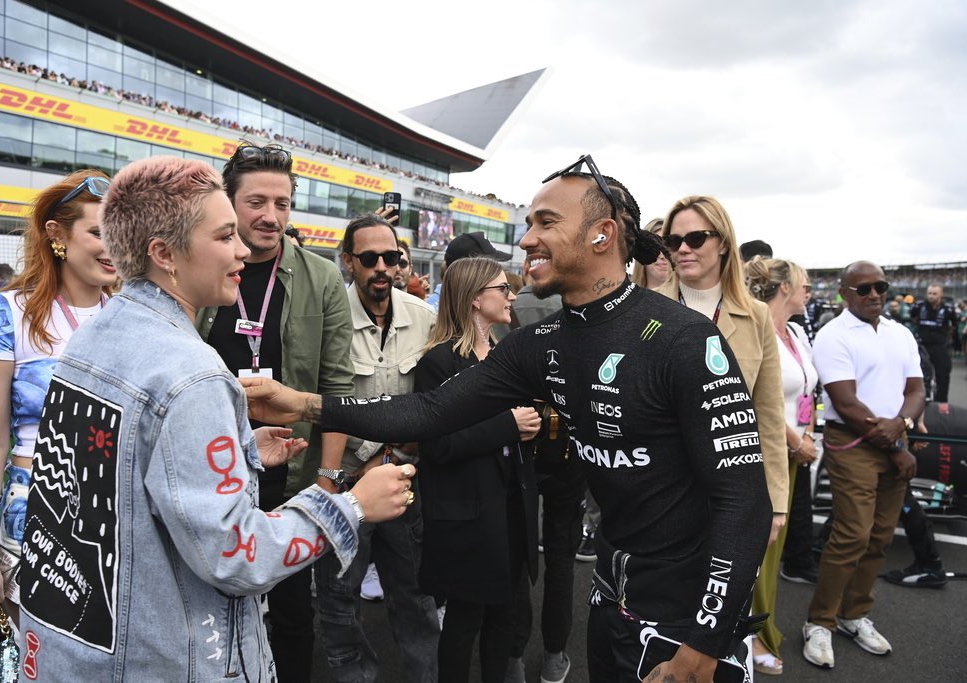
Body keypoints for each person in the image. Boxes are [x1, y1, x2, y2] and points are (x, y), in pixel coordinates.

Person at [242, 155, 773, 683]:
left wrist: (703, 644)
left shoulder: (684, 339)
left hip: (692, 616)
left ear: (602, 234)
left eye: (546, 223)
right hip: (614, 596)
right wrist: (305, 404)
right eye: (528, 225)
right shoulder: (540, 343)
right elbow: (430, 411)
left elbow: (743, 497)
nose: (526, 241)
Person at [15, 156, 415, 680]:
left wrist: (239, 444)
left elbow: (124, 472)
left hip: (77, 643)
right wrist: (351, 506)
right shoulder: (193, 373)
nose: (244, 251)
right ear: (163, 253)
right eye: (226, 236)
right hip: (164, 656)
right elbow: (237, 556)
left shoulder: (99, 330)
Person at [196, 142, 355, 682]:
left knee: (291, 612)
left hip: (293, 468)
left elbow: (337, 386)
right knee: (206, 608)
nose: (271, 216)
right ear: (229, 203)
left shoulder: (323, 277)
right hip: (210, 467)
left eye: (283, 203)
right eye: (257, 202)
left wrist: (330, 483)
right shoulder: (200, 269)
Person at [0, 170, 118, 616]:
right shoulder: (5, 315)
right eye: (97, 232)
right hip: (37, 511)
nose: (112, 245)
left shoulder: (136, 315)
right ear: (57, 234)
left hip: (122, 513)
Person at [315, 214, 440, 682]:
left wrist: (386, 455)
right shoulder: (331, 318)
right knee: (339, 604)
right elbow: (325, 398)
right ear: (349, 262)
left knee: (416, 601)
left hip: (405, 484)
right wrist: (364, 457)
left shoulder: (424, 319)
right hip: (344, 486)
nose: (382, 267)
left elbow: (434, 402)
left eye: (392, 258)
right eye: (370, 259)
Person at [414, 257, 538, 683]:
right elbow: (439, 445)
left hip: (511, 509)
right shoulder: (439, 363)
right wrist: (509, 426)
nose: (512, 296)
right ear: (473, 299)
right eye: (503, 289)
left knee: (505, 617)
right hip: (468, 514)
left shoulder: (507, 354)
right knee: (465, 621)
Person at [802, 261, 924, 670]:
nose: (874, 294)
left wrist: (903, 424)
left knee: (881, 537)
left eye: (880, 286)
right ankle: (819, 622)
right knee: (852, 533)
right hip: (854, 443)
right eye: (863, 288)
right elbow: (847, 403)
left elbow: (917, 388)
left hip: (894, 441)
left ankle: (854, 614)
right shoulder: (833, 335)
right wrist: (896, 446)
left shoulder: (900, 332)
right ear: (843, 293)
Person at [656, 197, 789, 541]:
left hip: (734, 489)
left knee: (725, 592)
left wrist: (775, 502)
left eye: (696, 239)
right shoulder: (647, 310)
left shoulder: (757, 315)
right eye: (673, 241)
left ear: (724, 244)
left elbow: (769, 414)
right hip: (660, 489)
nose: (683, 249)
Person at [506, 264, 582, 683]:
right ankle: (553, 652)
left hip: (521, 437)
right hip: (568, 445)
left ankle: (514, 653)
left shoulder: (514, 304)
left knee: (519, 554)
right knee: (560, 557)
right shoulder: (576, 307)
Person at [744, 257, 819, 675]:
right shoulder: (760, 331)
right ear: (784, 288)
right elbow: (757, 397)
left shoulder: (796, 333)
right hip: (766, 453)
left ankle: (759, 625)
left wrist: (807, 438)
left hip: (796, 454)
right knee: (757, 549)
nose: (809, 291)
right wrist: (794, 440)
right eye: (804, 284)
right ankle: (748, 633)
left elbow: (807, 391)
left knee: (773, 550)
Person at [424, 231, 511, 310]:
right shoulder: (434, 312)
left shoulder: (469, 307)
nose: (496, 275)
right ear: (466, 274)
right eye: (488, 270)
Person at [911, 284, 956, 403]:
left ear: (941, 294)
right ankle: (920, 402)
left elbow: (953, 325)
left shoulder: (948, 309)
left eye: (934, 294)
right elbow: (913, 319)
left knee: (943, 375)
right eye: (929, 293)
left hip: (940, 346)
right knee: (919, 374)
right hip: (922, 345)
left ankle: (941, 403)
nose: (931, 296)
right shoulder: (919, 306)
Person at [631, 218, 671, 289]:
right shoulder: (627, 297)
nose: (663, 256)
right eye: (656, 246)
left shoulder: (691, 297)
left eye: (668, 247)